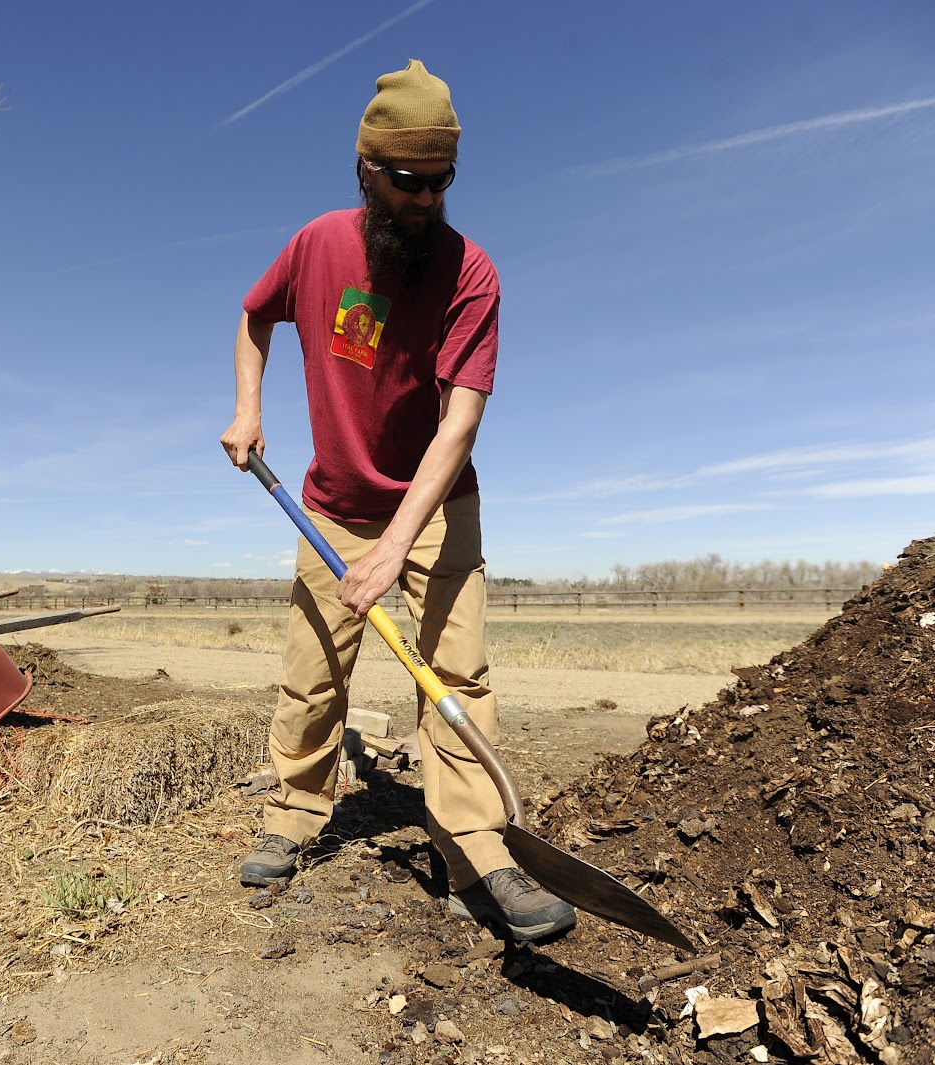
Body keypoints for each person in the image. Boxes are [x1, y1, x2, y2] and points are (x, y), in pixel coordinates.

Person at [218, 59, 575, 942]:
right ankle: (294, 815)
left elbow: (460, 425)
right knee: (313, 672)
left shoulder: (471, 272)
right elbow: (255, 316)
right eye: (409, 181)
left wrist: (394, 547)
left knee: (456, 672)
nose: (427, 199)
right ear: (365, 170)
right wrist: (249, 405)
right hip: (333, 500)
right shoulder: (317, 245)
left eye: (442, 181)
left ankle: (476, 848)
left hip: (439, 501)